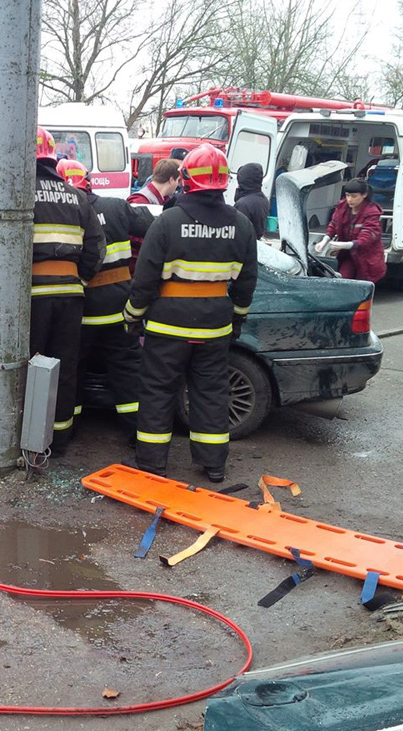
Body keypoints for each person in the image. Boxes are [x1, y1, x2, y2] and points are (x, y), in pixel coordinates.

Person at [123, 144, 257, 482]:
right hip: (215, 326)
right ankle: (214, 465)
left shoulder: (168, 221)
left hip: (167, 326)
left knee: (157, 391)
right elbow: (246, 283)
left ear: (186, 179)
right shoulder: (241, 225)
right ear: (223, 182)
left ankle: (152, 463)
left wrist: (133, 316)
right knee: (211, 393)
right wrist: (237, 318)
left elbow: (145, 278)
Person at [56, 158, 152, 435]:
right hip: (117, 307)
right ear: (89, 182)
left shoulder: (60, 213)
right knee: (127, 372)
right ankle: (138, 433)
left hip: (79, 311)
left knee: (73, 371)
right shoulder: (116, 207)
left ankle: (67, 431)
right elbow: (151, 226)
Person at [32, 127, 106, 454]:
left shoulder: (15, 193)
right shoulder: (76, 197)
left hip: (29, 297)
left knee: (28, 366)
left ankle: (26, 438)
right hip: (70, 295)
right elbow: (96, 249)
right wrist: (80, 280)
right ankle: (59, 439)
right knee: (63, 366)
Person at [315, 179, 386, 283]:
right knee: (342, 280)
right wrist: (324, 240)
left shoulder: (372, 212)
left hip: (367, 258)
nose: (349, 199)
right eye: (347, 195)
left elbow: (367, 238)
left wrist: (346, 245)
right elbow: (334, 224)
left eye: (354, 196)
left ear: (364, 194)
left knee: (362, 285)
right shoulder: (342, 207)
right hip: (348, 255)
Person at [233, 162, 269, 239]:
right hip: (254, 240)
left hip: (244, 242)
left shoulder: (243, 204)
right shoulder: (263, 199)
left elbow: (236, 231)